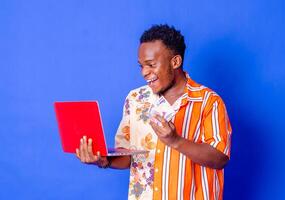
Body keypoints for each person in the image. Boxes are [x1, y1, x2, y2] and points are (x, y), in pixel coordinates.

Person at [75, 24, 232, 200]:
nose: (144, 72)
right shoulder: (135, 99)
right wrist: (103, 161)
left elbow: (220, 159)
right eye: (141, 65)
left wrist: (176, 141)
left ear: (175, 62)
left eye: (151, 65)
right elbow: (128, 156)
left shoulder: (209, 102)